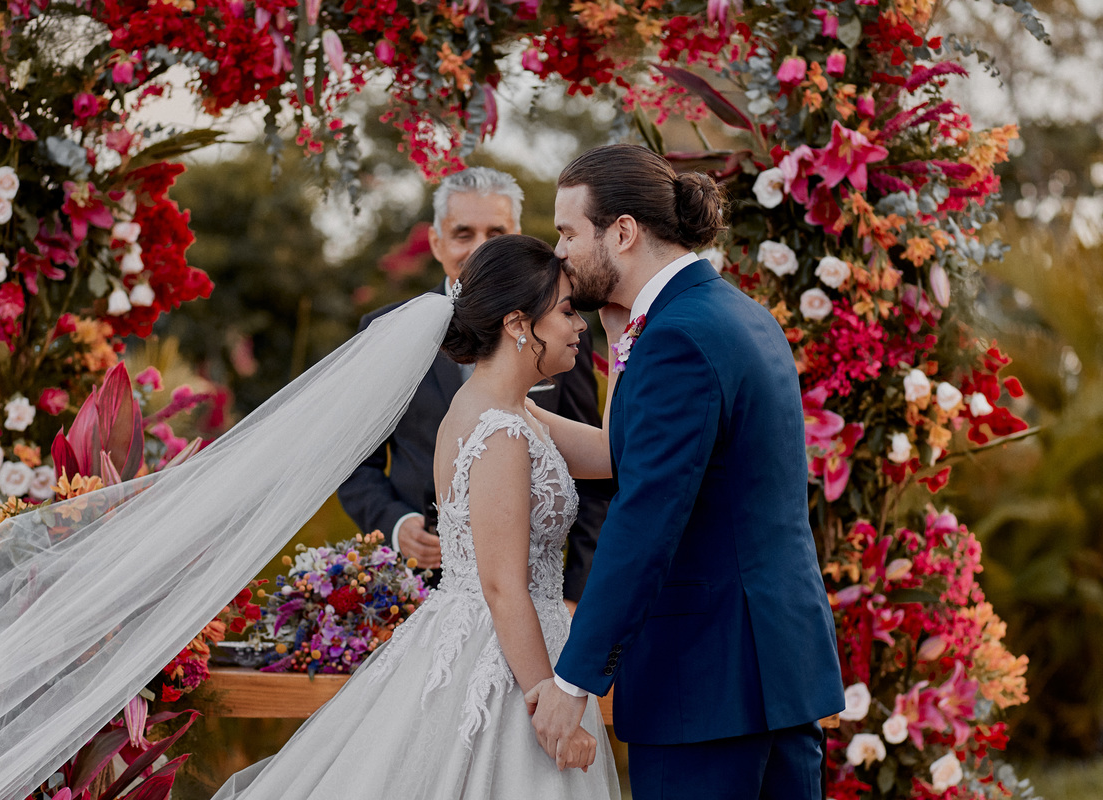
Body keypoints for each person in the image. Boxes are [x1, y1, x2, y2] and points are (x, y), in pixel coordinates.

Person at [210, 234, 620, 798]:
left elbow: (610, 453)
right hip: (508, 657)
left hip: (509, 636)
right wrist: (544, 698)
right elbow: (503, 586)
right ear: (519, 323)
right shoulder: (499, 431)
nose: (581, 327)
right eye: (570, 311)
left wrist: (624, 340)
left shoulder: (509, 409)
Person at [523, 144, 845, 799]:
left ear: (622, 231)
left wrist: (574, 680)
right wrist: (618, 350)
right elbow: (656, 466)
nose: (558, 252)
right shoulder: (739, 316)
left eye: (567, 232)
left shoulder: (677, 339)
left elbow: (647, 514)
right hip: (775, 678)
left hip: (706, 686)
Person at [338, 167, 607, 608]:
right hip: (416, 591)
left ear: (516, 237)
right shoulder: (386, 332)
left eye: (496, 232)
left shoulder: (561, 332)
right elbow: (351, 461)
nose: (480, 248)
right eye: (463, 233)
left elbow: (594, 481)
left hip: (540, 592)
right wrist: (396, 522)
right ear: (436, 241)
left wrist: (577, 595)